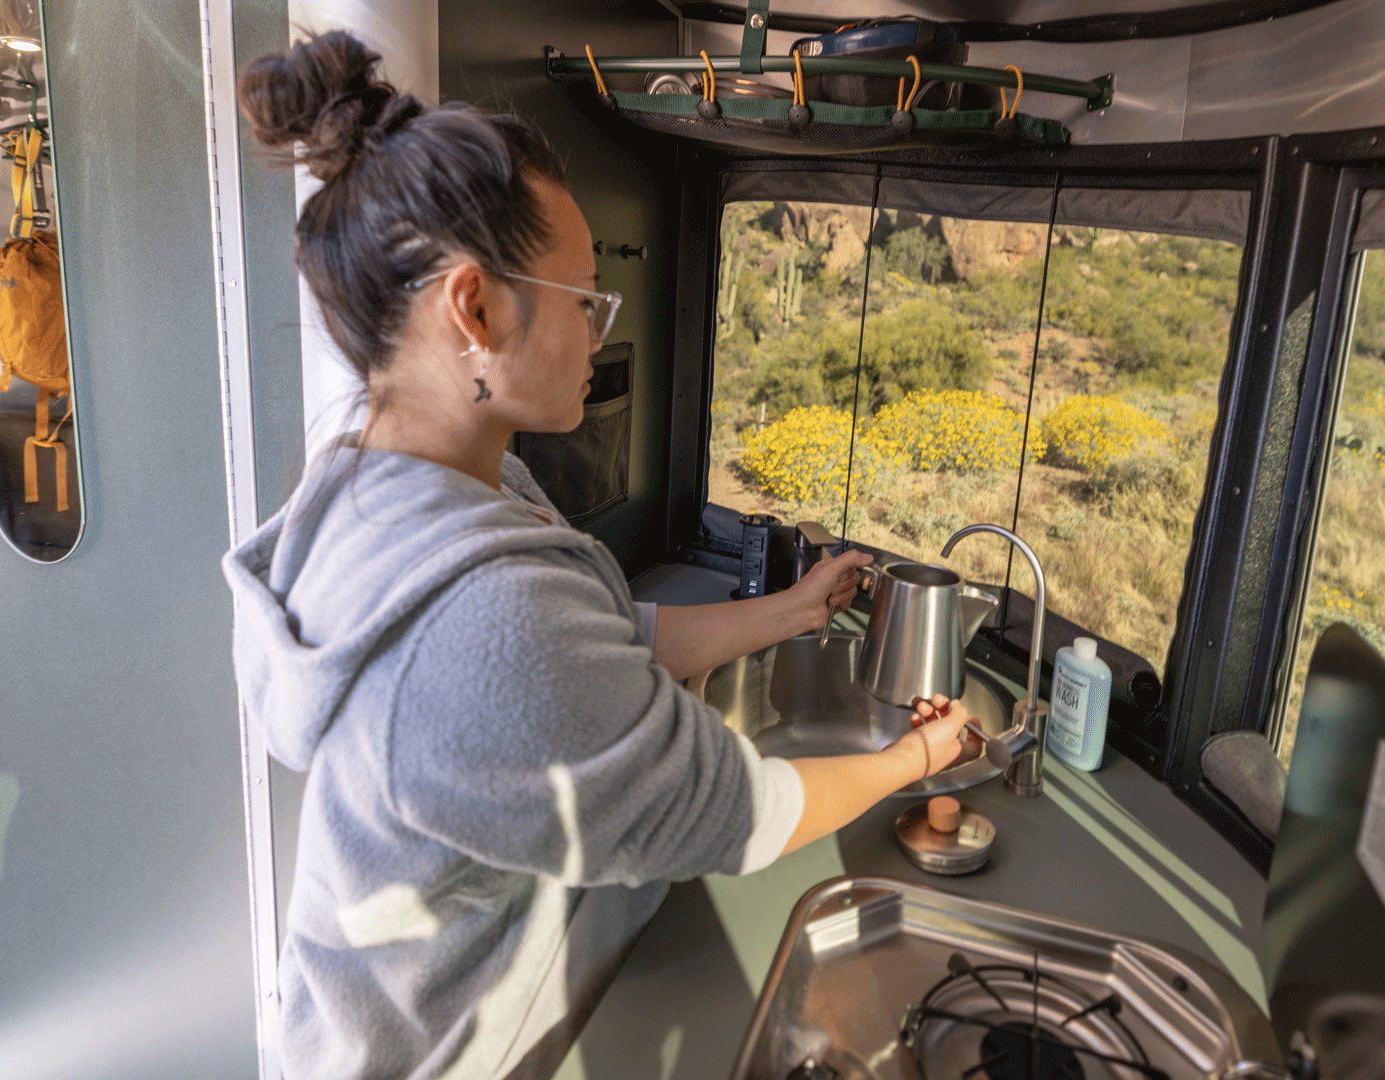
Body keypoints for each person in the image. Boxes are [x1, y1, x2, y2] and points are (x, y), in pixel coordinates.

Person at [221, 30, 982, 1080]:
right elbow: (736, 814)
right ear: (475, 309)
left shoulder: (384, 484)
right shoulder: (481, 621)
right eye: (587, 301)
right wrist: (923, 759)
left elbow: (606, 638)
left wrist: (791, 610)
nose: (598, 332)